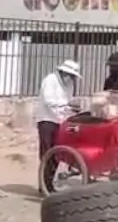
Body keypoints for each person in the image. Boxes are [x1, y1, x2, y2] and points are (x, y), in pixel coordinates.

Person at [35, 59, 83, 192]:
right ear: (64, 73)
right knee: (47, 153)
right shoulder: (50, 80)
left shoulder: (69, 84)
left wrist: (72, 109)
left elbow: (67, 102)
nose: (72, 78)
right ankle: (44, 185)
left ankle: (49, 183)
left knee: (57, 153)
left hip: (61, 121)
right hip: (46, 120)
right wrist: (67, 105)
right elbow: (49, 101)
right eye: (71, 75)